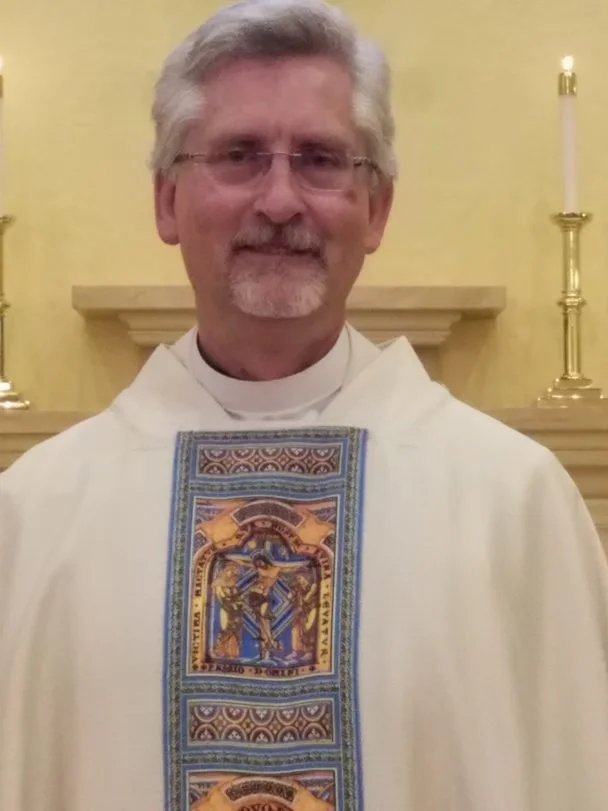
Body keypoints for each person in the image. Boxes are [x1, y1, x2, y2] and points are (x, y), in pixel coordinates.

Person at [1, 0, 607, 809]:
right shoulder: (38, 514)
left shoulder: (512, 504)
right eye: (239, 155)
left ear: (377, 207)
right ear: (166, 200)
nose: (280, 201)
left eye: (322, 160)